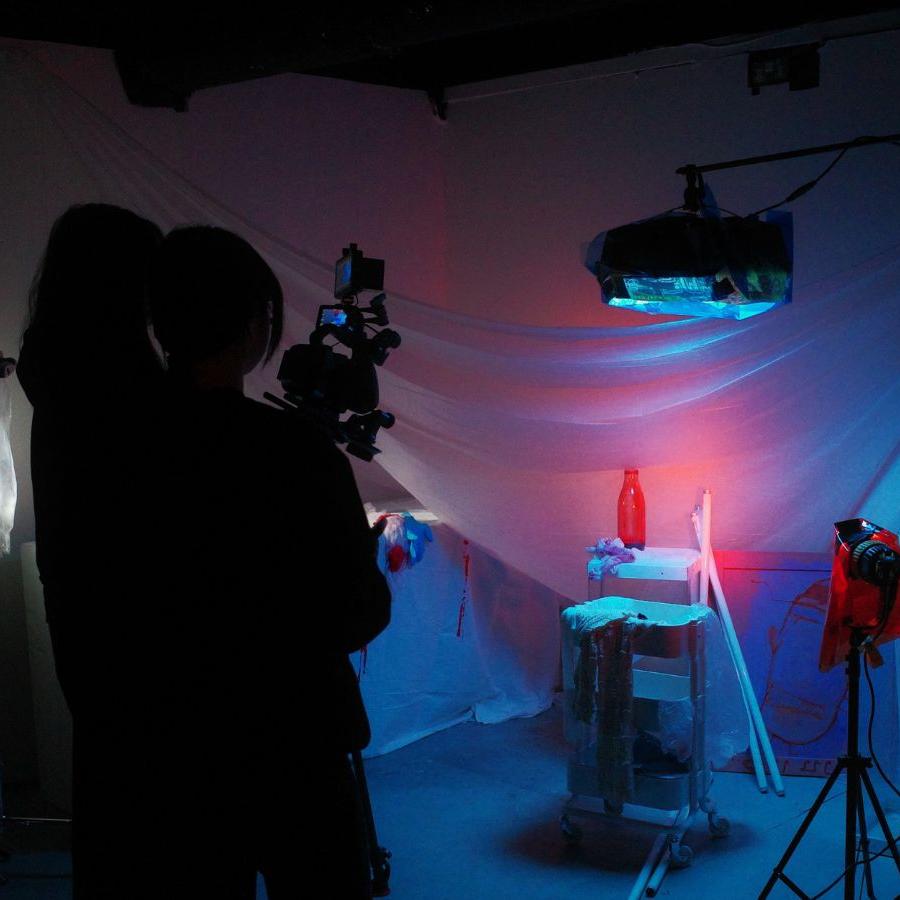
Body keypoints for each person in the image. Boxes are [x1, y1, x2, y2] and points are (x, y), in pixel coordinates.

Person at [141, 225, 391, 899]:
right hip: (294, 740)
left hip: (169, 742)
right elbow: (356, 612)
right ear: (256, 326)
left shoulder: (120, 451)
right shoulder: (294, 452)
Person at [15, 203, 165, 897]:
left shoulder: (53, 359)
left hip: (77, 590)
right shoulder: (120, 376)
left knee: (106, 767)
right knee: (143, 781)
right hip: (130, 600)